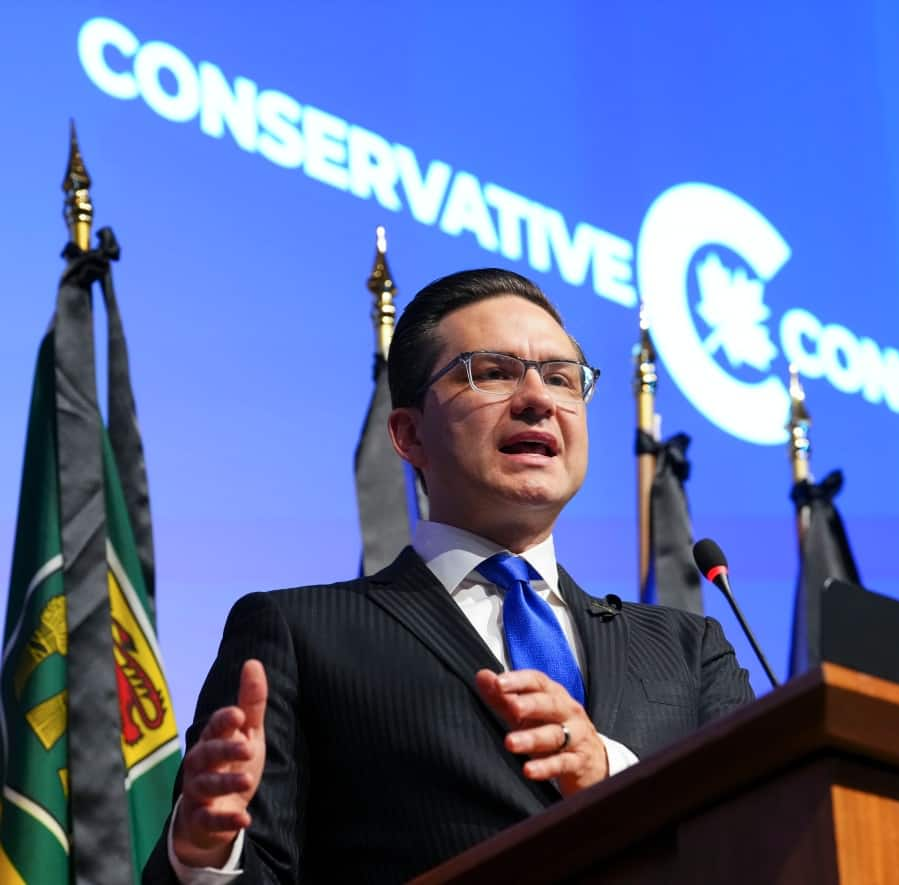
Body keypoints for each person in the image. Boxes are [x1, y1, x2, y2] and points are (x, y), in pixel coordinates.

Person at [144, 268, 753, 883]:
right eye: (493, 372)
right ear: (409, 435)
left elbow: (765, 836)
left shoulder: (688, 650)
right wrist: (204, 856)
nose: (538, 398)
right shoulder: (300, 635)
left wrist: (613, 773)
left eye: (562, 377)